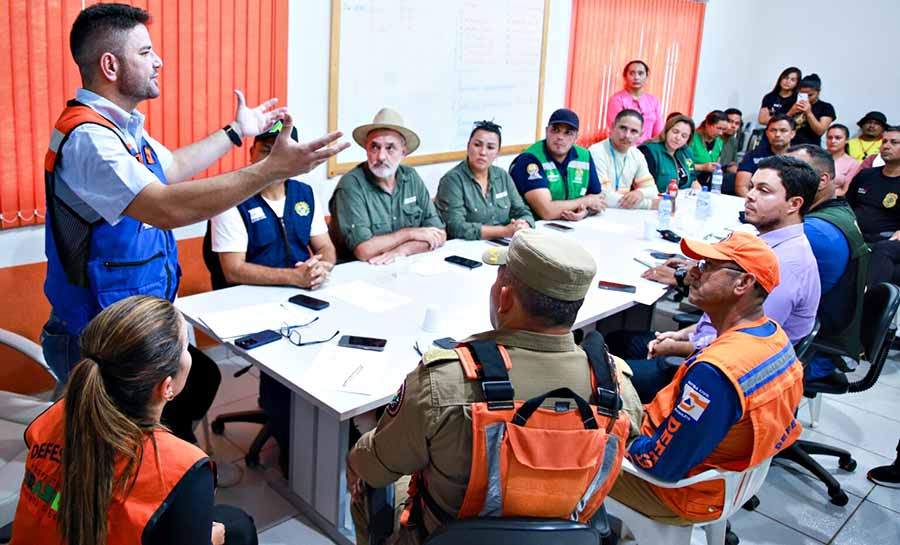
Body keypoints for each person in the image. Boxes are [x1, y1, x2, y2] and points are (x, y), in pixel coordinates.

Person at [42, 4, 346, 444]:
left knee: (193, 386)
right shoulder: (89, 139)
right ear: (110, 65)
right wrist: (267, 170)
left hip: (133, 325)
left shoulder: (122, 130)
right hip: (97, 337)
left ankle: (173, 481)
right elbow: (163, 206)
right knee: (113, 460)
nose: (159, 61)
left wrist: (235, 133)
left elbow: (173, 165)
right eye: (146, 52)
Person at [346, 230, 645, 545]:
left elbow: (374, 468)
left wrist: (359, 454)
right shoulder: (617, 387)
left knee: (367, 480)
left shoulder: (445, 381)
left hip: (442, 536)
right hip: (563, 536)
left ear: (504, 297)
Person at [10, 295, 258, 545]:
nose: (190, 353)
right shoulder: (182, 470)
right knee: (238, 525)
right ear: (167, 387)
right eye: (185, 348)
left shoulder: (60, 412)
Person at [610, 232, 805, 525]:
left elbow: (661, 466)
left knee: (569, 443)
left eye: (708, 266)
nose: (693, 273)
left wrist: (614, 436)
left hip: (680, 493)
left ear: (743, 283)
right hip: (728, 479)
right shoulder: (774, 336)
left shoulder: (717, 373)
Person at [616, 156, 820, 401]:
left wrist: (675, 347)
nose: (751, 195)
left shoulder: (784, 265)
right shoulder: (771, 242)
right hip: (709, 347)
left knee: (604, 371)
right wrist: (682, 335)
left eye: (764, 191)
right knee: (618, 341)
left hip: (719, 378)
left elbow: (744, 348)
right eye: (752, 186)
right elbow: (727, 318)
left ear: (793, 204)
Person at [209, 120, 337, 467]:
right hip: (249, 306)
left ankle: (326, 428)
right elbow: (232, 270)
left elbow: (325, 248)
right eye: (265, 149)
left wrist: (321, 266)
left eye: (282, 151)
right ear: (251, 152)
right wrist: (293, 278)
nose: (272, 158)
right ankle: (292, 450)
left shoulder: (304, 194)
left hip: (300, 297)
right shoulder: (231, 197)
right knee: (287, 369)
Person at [786, 144, 869, 383]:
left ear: (822, 180)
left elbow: (763, 290)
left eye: (793, 171)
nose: (783, 178)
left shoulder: (815, 231)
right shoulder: (839, 211)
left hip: (813, 351)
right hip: (829, 335)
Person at [329, 108, 446, 264]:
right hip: (359, 272)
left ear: (404, 152)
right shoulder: (351, 185)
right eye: (375, 147)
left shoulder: (411, 177)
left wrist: (402, 251)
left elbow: (439, 234)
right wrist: (410, 234)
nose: (381, 156)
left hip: (403, 264)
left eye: (390, 148)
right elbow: (364, 250)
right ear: (366, 150)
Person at [435, 120, 534, 240]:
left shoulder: (502, 176)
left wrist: (524, 224)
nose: (482, 152)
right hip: (466, 247)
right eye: (477, 145)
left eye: (490, 147)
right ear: (468, 147)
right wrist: (504, 231)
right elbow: (456, 227)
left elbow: (522, 211)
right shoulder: (452, 180)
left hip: (504, 243)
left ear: (498, 153)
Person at [508, 108, 605, 221]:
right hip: (532, 227)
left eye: (568, 133)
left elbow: (597, 200)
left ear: (576, 137)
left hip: (570, 226)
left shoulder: (584, 156)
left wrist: (584, 212)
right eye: (555, 130)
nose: (560, 137)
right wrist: (585, 201)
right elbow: (547, 211)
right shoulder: (530, 159)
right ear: (546, 131)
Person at [846, 126, 900, 286]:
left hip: (888, 239)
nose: (886, 146)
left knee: (884, 249)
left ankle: (870, 301)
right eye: (884, 141)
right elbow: (847, 206)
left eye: (894, 142)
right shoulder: (866, 175)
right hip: (858, 235)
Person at [590, 109, 659, 209]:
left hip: (623, 214)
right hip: (599, 214)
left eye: (634, 131)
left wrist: (640, 193)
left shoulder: (637, 155)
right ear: (613, 126)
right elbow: (603, 196)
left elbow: (652, 190)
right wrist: (650, 204)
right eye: (623, 128)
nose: (627, 135)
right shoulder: (596, 152)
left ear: (641, 134)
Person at [734, 115, 796, 196]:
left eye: (783, 130)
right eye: (773, 130)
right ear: (767, 133)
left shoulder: (799, 157)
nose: (777, 134)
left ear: (792, 133)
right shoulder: (753, 155)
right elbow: (741, 186)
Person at [606, 60, 664, 145]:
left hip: (648, 149)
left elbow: (659, 133)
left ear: (646, 77)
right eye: (632, 73)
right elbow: (616, 130)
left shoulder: (654, 101)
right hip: (623, 147)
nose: (636, 77)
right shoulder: (617, 99)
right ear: (625, 77)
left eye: (640, 73)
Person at [638, 114, 698, 192]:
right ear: (666, 130)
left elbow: (693, 180)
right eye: (675, 132)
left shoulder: (687, 152)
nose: (678, 138)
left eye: (684, 136)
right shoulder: (649, 151)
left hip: (683, 200)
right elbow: (645, 188)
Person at [788, 74, 835, 146]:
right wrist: (791, 112)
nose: (806, 98)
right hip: (789, 145)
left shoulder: (826, 107)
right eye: (802, 94)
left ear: (818, 92)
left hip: (811, 148)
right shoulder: (791, 103)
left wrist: (809, 113)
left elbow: (820, 131)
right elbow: (778, 124)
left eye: (810, 95)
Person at [688, 110, 728, 184]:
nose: (721, 133)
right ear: (707, 124)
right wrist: (702, 167)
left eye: (724, 129)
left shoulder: (719, 142)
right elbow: (682, 164)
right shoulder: (692, 139)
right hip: (691, 179)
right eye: (718, 128)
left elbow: (717, 163)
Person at [825, 124, 860, 196]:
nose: (833, 141)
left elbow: (845, 191)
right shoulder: (816, 156)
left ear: (846, 140)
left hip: (835, 200)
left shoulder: (852, 163)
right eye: (829, 137)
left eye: (838, 138)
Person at [720, 108, 743, 173]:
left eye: (737, 123)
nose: (733, 126)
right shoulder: (713, 138)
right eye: (730, 121)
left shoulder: (734, 141)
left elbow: (733, 164)